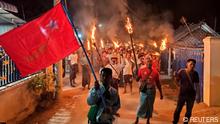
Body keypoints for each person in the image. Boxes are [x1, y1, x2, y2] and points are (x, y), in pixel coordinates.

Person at [134, 56, 163, 124]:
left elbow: (158, 83)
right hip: (144, 90)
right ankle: (137, 119)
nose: (149, 63)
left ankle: (148, 121)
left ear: (152, 62)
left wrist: (161, 93)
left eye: (150, 61)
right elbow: (137, 79)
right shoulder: (141, 70)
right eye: (148, 61)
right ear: (145, 62)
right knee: (142, 104)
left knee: (150, 106)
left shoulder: (155, 72)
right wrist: (136, 75)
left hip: (151, 91)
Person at [172, 59, 200, 124]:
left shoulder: (195, 74)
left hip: (191, 95)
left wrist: (198, 96)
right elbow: (176, 81)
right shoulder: (182, 72)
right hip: (182, 94)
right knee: (178, 109)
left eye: (193, 64)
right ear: (187, 65)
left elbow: (197, 85)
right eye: (191, 64)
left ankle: (185, 122)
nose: (192, 66)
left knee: (189, 111)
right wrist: (179, 86)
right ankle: (175, 121)